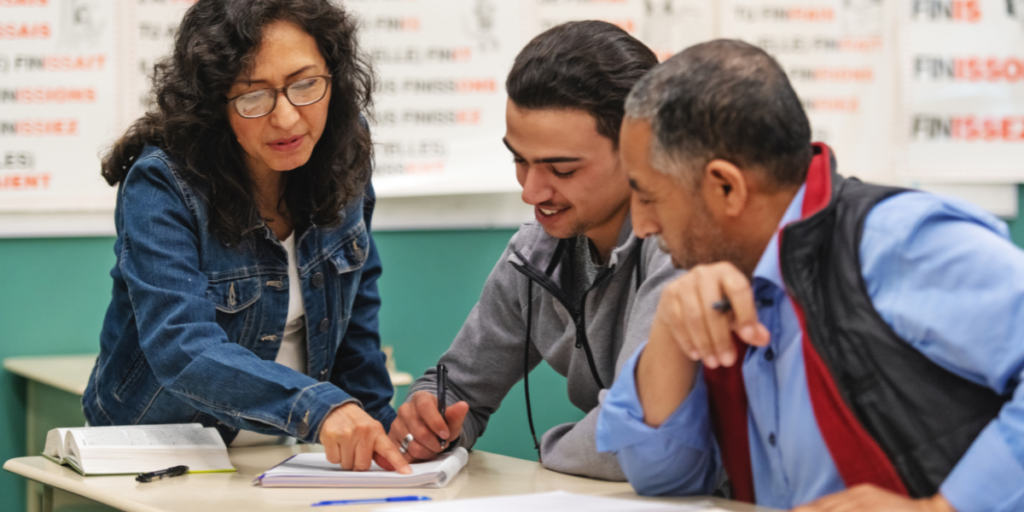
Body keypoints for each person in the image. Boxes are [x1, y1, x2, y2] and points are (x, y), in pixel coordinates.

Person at [597, 39, 1024, 511]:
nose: (641, 226)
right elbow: (663, 481)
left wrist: (941, 508)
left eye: (648, 196)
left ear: (726, 187)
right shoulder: (721, 278)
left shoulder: (896, 242)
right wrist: (671, 332)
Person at [83, 0, 410, 474]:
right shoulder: (163, 183)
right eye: (253, 97)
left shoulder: (342, 149)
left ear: (333, 77)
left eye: (305, 85)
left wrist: (383, 428)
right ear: (214, 104)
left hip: (277, 454)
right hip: (156, 451)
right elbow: (183, 347)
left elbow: (356, 316)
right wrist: (321, 408)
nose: (287, 119)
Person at [386, 21, 678, 480]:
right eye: (519, 160)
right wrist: (429, 418)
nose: (531, 191)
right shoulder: (536, 252)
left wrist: (548, 453)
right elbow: (459, 386)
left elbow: (638, 433)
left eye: (561, 169)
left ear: (641, 149)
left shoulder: (682, 246)